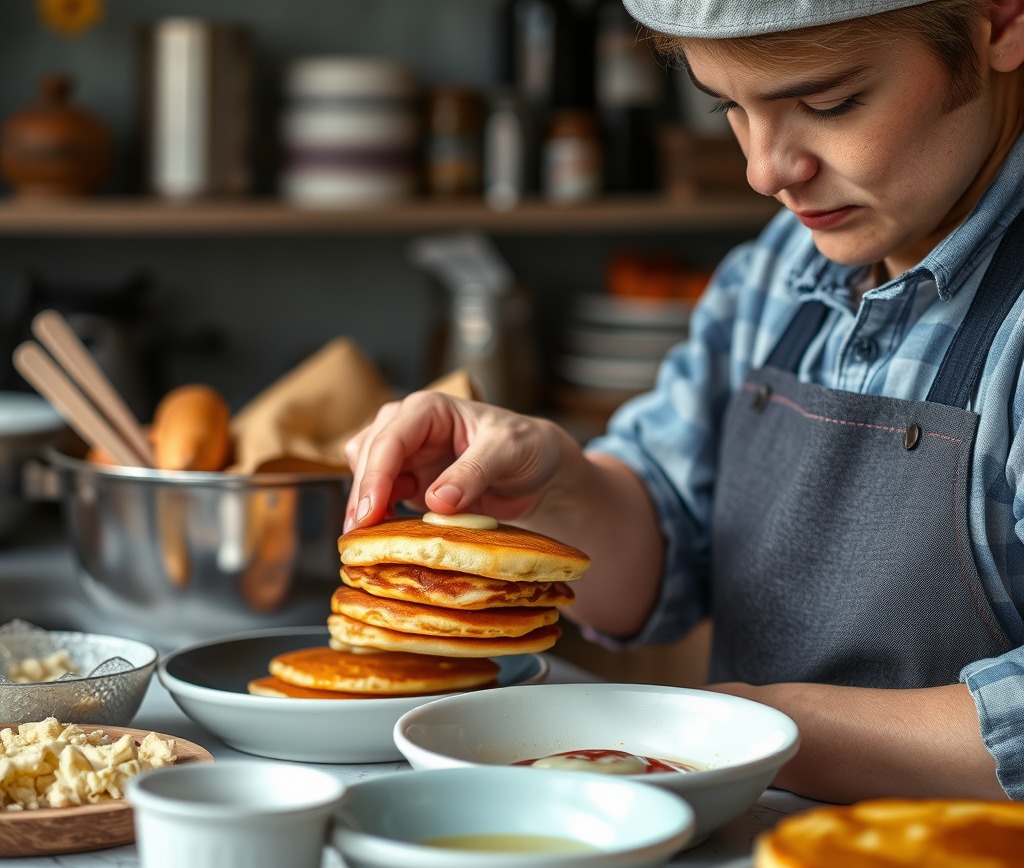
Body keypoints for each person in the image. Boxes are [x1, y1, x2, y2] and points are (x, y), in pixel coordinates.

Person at [343, 0, 1024, 805]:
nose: (764, 172)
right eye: (731, 107)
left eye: (829, 104)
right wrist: (554, 487)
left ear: (999, 22)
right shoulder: (775, 273)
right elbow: (662, 557)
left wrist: (760, 727)